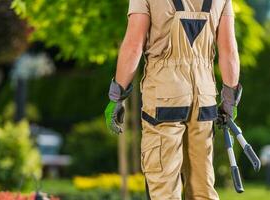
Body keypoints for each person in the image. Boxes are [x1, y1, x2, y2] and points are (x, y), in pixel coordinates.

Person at [104, 0, 242, 199]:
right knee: (202, 188)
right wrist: (229, 100)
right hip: (204, 97)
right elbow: (229, 50)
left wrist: (116, 97)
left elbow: (134, 46)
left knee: (164, 188)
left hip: (164, 95)